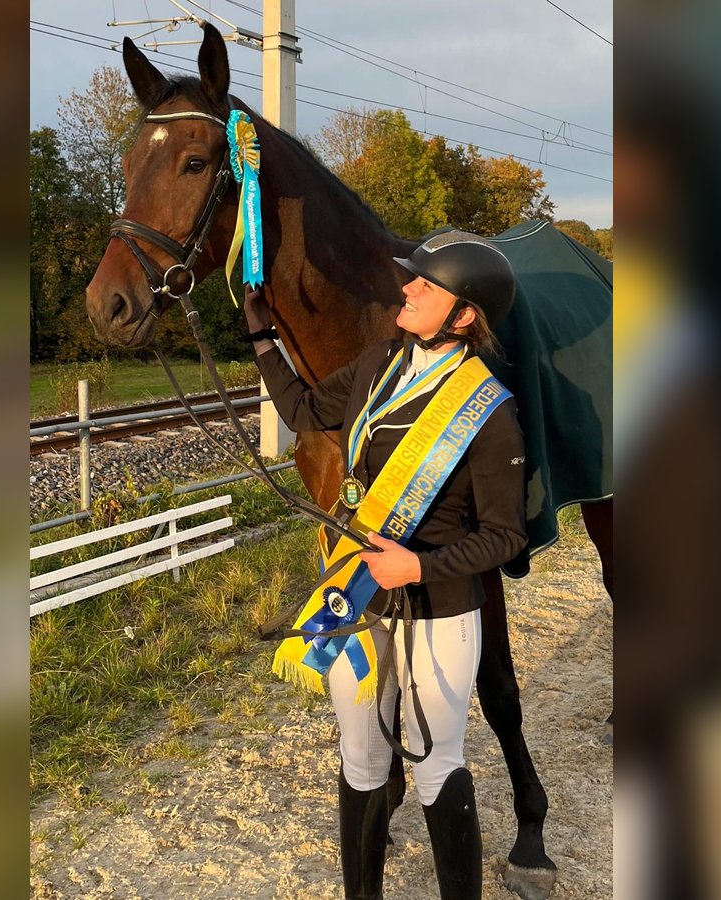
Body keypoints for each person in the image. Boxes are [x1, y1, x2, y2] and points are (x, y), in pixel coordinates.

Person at [245, 231, 527, 899]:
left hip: (441, 608)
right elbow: (303, 410)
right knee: (362, 757)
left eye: (426, 284)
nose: (407, 287)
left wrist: (418, 569)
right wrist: (261, 335)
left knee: (435, 766)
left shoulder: (491, 410)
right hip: (359, 595)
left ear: (465, 315)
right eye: (413, 278)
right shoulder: (378, 363)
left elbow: (505, 536)